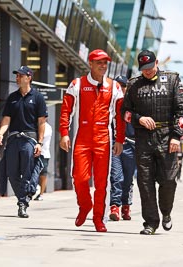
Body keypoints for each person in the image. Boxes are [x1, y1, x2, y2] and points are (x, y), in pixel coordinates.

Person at [121, 49, 183, 235]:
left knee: (168, 180)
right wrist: (138, 118)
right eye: (144, 68)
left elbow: (181, 111)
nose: (147, 71)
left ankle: (166, 213)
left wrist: (176, 136)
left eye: (150, 67)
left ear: (157, 62)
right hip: (143, 139)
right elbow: (125, 112)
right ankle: (150, 223)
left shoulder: (172, 80)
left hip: (167, 137)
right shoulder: (134, 84)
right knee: (145, 182)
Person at [59, 49, 125, 232]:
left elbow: (120, 116)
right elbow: (66, 111)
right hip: (82, 138)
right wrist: (64, 133)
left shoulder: (115, 87)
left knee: (102, 183)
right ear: (90, 63)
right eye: (99, 62)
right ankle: (85, 205)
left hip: (104, 139)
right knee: (80, 177)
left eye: (105, 63)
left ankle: (98, 218)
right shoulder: (77, 84)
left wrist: (119, 139)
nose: (103, 66)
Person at [0, 66, 47, 218]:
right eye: (17, 75)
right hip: (13, 138)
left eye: (20, 75)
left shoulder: (37, 97)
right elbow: (6, 119)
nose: (17, 78)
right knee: (11, 173)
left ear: (29, 77)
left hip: (29, 140)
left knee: (26, 172)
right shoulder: (12, 97)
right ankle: (25, 197)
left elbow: (41, 122)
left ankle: (22, 203)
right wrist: (0, 133)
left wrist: (40, 142)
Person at [109, 75, 136, 221]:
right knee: (116, 176)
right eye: (117, 85)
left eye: (123, 85)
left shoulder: (134, 104)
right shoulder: (109, 103)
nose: (120, 87)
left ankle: (126, 206)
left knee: (128, 179)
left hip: (131, 145)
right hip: (114, 144)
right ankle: (115, 206)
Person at [34, 120, 53, 201]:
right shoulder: (35, 125)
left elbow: (41, 137)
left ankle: (41, 194)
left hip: (43, 153)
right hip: (35, 153)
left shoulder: (47, 127)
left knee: (42, 175)